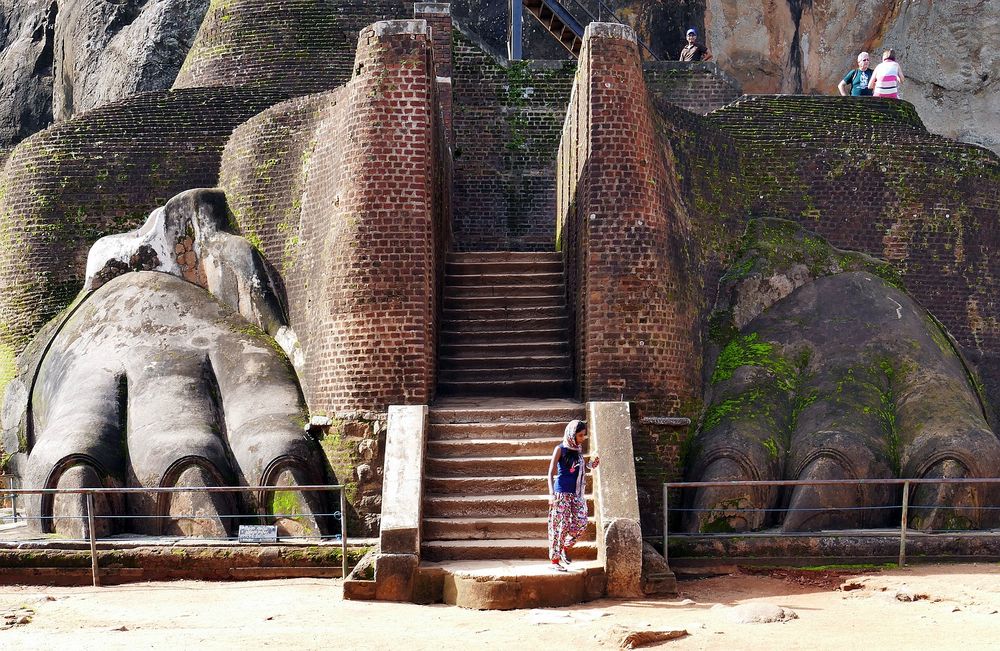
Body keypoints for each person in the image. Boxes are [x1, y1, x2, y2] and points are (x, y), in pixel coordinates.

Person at [546, 419, 600, 571]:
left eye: (584, 435)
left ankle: (564, 547)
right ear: (572, 434)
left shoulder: (577, 449)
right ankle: (555, 561)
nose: (583, 438)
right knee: (559, 526)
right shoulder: (560, 449)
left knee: (581, 523)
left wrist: (591, 465)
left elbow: (578, 468)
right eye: (581, 435)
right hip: (561, 493)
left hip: (576, 493)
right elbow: (550, 473)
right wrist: (551, 495)